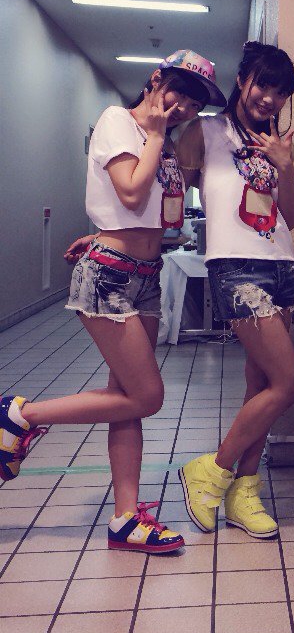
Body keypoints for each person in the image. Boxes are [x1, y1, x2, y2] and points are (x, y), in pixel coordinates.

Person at [0, 50, 225, 552]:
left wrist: (105, 232)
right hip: (110, 276)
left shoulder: (165, 143)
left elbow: (152, 213)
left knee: (126, 401)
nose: (185, 106)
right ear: (156, 79)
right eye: (180, 91)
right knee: (148, 396)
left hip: (145, 275)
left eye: (195, 102)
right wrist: (157, 139)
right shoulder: (118, 122)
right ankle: (20, 415)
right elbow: (129, 192)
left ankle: (125, 518)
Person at [177, 42, 294, 537]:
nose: (269, 98)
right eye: (262, 85)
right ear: (242, 79)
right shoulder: (204, 131)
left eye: (280, 92)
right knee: (289, 383)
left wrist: (285, 166)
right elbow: (169, 192)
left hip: (281, 265)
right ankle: (212, 469)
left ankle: (244, 492)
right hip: (234, 265)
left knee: (262, 385)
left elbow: (291, 214)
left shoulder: (278, 142)